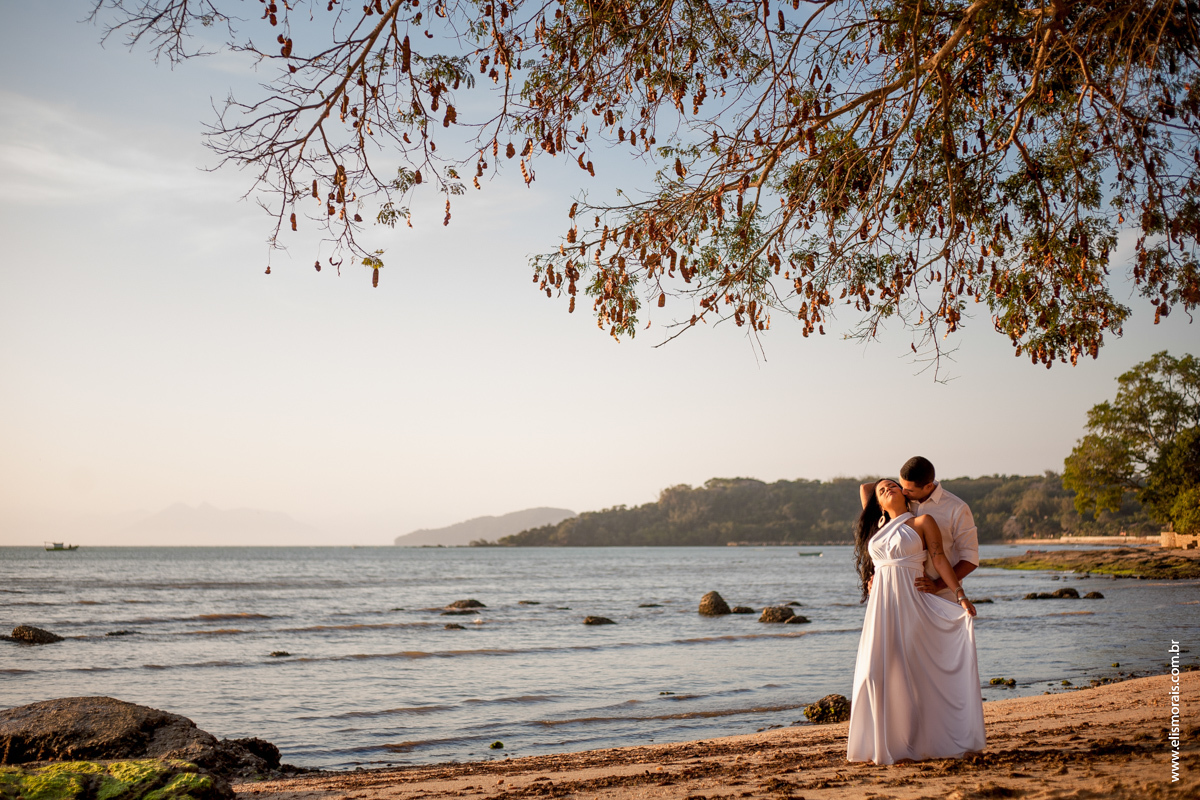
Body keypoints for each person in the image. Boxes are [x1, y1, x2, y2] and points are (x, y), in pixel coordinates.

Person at [846, 479, 986, 765]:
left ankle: (912, 744)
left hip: (913, 604)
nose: (887, 489)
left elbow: (940, 558)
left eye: (893, 486)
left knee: (909, 676)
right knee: (873, 674)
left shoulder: (923, 521)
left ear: (905, 493)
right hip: (881, 608)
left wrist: (960, 595)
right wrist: (876, 576)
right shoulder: (880, 527)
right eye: (882, 490)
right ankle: (881, 744)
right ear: (878, 505)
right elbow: (865, 487)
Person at [859, 457, 979, 602]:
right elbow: (865, 488)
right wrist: (877, 576)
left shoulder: (956, 509)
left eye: (908, 489)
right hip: (898, 595)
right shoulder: (900, 500)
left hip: (941, 596)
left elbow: (970, 559)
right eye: (900, 484)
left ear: (928, 487)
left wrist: (937, 585)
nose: (903, 491)